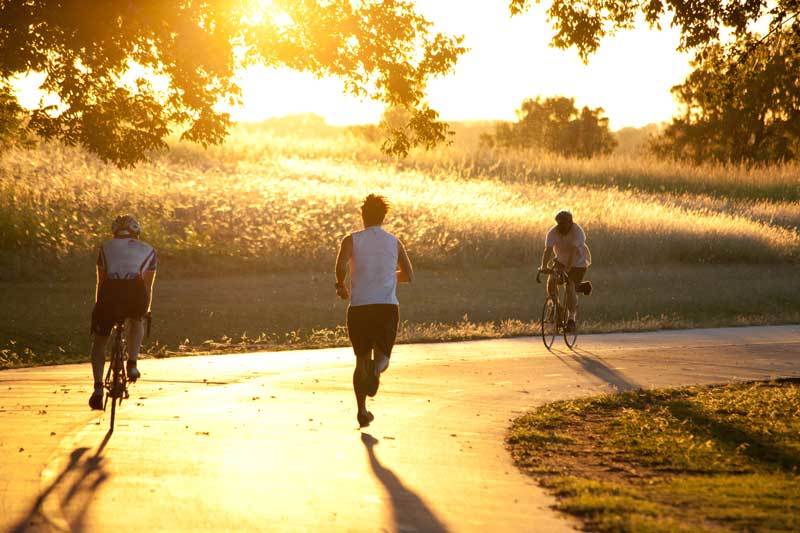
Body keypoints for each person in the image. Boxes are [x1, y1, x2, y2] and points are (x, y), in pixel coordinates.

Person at [335, 194, 414, 427]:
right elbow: (409, 275)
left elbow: (340, 266)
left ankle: (361, 411)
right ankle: (376, 371)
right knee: (383, 358)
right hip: (386, 307)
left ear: (363, 215)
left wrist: (341, 286)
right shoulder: (394, 242)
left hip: (359, 308)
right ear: (383, 217)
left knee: (360, 361)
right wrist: (387, 276)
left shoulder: (351, 240)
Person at [88, 215, 157, 410]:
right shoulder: (149, 250)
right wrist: (146, 310)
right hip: (135, 292)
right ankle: (132, 364)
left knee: (100, 341)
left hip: (110, 293)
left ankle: (98, 388)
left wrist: (98, 308)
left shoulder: (105, 247)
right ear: (136, 233)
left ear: (114, 232)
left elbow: (100, 282)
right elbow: (147, 287)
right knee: (136, 322)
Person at [539, 210, 591, 333]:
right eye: (558, 223)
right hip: (561, 261)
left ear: (570, 222)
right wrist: (543, 266)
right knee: (551, 281)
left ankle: (571, 319)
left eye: (563, 224)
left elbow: (573, 252)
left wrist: (567, 268)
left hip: (578, 263)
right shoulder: (553, 232)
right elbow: (548, 250)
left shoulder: (577, 232)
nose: (560, 226)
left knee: (570, 286)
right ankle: (557, 308)